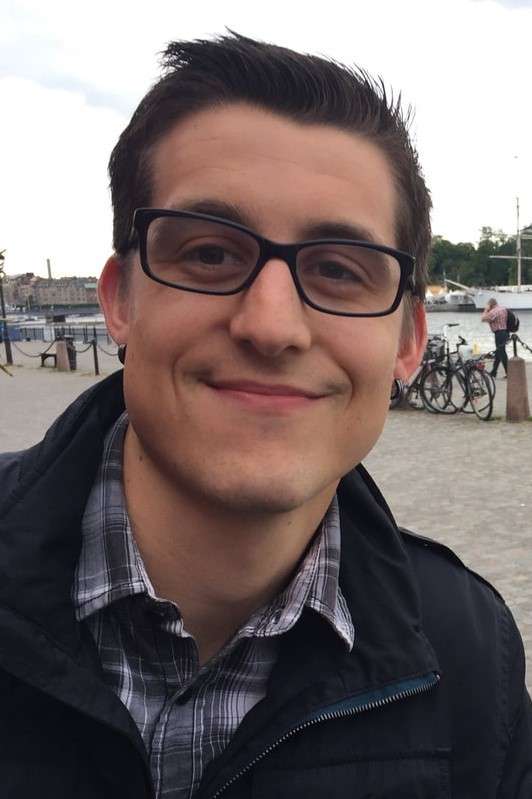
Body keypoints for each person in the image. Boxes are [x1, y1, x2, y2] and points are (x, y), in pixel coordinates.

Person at [1, 33, 531, 799]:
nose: (272, 325)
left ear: (408, 341)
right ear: (120, 300)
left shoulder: (473, 657)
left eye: (339, 270)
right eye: (210, 255)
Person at [482, 297, 509, 379]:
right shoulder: (503, 309)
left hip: (499, 333)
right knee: (499, 352)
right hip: (505, 332)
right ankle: (494, 372)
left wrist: (486, 310)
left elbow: (483, 319)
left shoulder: (494, 311)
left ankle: (508, 372)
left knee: (502, 352)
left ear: (490, 305)